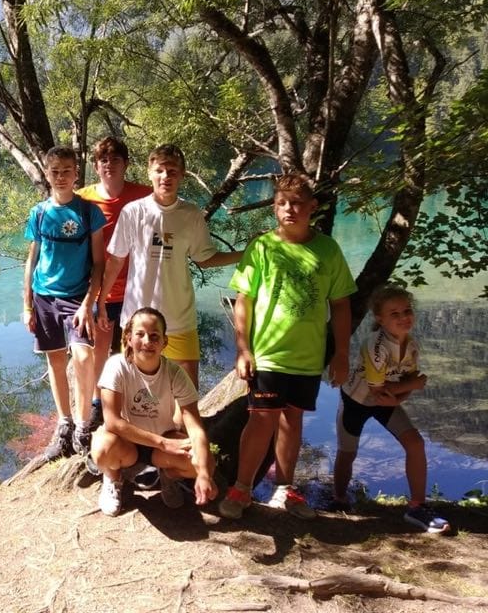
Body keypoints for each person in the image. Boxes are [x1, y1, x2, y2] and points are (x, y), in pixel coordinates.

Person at [219, 173, 356, 520]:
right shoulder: (262, 247)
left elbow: (341, 304)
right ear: (274, 208)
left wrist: (341, 353)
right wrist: (243, 349)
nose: (289, 209)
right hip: (268, 353)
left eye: (296, 203)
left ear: (312, 207)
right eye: (282, 203)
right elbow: (244, 300)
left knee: (292, 421)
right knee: (261, 419)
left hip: (308, 357)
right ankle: (241, 489)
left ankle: (285, 490)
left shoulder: (327, 250)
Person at [99, 144, 241, 391]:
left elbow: (204, 258)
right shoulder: (133, 212)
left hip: (180, 319)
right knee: (136, 394)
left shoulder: (191, 214)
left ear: (182, 175)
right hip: (138, 320)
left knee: (187, 394)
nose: (166, 176)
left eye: (173, 171)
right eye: (160, 170)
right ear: (150, 173)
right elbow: (116, 260)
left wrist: (244, 254)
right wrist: (101, 301)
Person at [330, 285, 450, 533]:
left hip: (387, 402)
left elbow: (406, 384)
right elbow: (380, 389)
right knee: (347, 453)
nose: (403, 317)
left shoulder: (411, 346)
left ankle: (417, 507)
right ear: (380, 319)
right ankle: (338, 499)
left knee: (415, 443)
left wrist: (400, 397)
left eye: (407, 311)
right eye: (394, 314)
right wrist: (412, 385)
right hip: (356, 401)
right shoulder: (375, 345)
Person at [91, 307, 218, 516]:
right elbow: (112, 421)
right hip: (127, 444)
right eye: (140, 334)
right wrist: (163, 443)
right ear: (129, 338)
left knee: (206, 463)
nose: (147, 341)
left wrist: (204, 474)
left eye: (154, 336)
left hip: (163, 445)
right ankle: (114, 478)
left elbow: (196, 429)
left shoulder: (175, 373)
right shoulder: (117, 366)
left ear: (164, 342)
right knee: (101, 448)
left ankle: (169, 476)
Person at [23, 145, 107, 461]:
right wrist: (27, 305)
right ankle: (64, 425)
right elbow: (32, 260)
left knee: (84, 357)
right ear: (47, 174)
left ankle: (84, 427)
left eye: (66, 171)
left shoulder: (88, 212)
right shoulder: (39, 213)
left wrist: (88, 303)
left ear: (76, 174)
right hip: (44, 297)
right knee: (55, 361)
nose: (60, 177)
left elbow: (99, 263)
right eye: (55, 171)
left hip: (77, 298)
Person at [77, 136, 151, 429]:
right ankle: (98, 404)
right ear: (96, 166)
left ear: (126, 164)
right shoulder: (82, 199)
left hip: (135, 291)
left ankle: (131, 405)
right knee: (99, 350)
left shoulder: (144, 195)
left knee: (132, 351)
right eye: (103, 160)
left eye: (115, 160)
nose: (109, 165)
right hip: (98, 291)